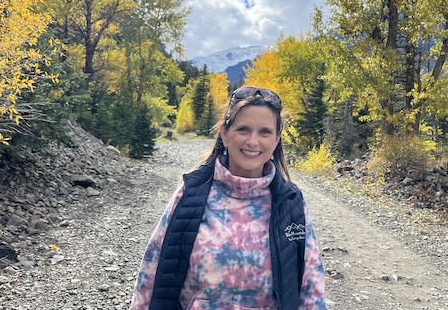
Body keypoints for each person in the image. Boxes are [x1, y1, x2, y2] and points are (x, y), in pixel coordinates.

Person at [129, 86, 328, 309]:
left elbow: (311, 289)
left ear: (276, 139)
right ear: (225, 133)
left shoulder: (291, 205)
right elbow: (152, 274)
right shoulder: (191, 195)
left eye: (265, 132)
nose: (253, 142)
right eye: (243, 129)